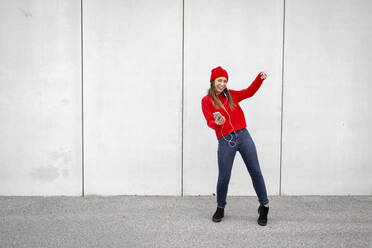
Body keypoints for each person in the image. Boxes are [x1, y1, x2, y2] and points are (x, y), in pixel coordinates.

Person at [201, 66, 270, 226]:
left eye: (225, 81)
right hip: (225, 139)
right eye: (219, 80)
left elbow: (249, 92)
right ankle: (220, 207)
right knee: (224, 177)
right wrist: (216, 123)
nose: (222, 84)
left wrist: (259, 79)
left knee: (256, 171)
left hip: (243, 135)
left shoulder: (231, 95)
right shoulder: (206, 101)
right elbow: (209, 121)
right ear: (213, 81)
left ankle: (264, 206)